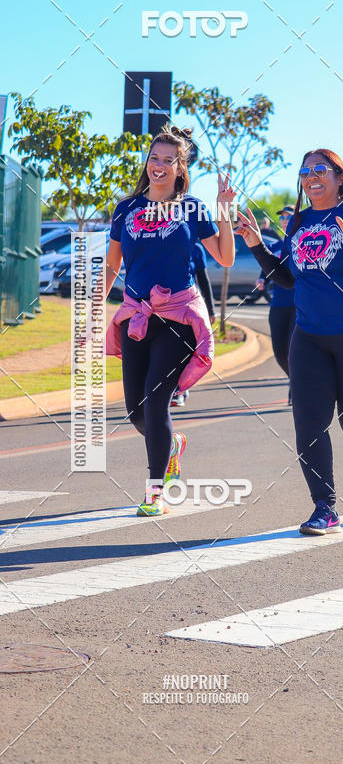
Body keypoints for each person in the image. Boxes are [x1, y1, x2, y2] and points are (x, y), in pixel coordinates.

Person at [236, 148, 343, 535]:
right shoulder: (302, 221)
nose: (311, 176)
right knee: (308, 423)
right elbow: (290, 279)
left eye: (320, 169)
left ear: (340, 176)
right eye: (305, 171)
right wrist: (257, 245)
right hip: (309, 337)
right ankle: (325, 507)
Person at [104, 124, 235, 516]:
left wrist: (224, 208)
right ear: (147, 162)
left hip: (178, 317)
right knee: (135, 410)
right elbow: (113, 264)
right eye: (154, 158)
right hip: (136, 316)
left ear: (181, 167)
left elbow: (225, 257)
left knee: (156, 401)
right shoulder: (126, 208)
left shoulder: (192, 207)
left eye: (169, 160)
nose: (159, 166)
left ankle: (154, 491)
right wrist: (93, 308)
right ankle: (173, 445)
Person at [171, 240, 216, 407]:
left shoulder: (196, 249)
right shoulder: (166, 243)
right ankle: (172, 389)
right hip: (166, 305)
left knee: (187, 348)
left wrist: (211, 310)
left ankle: (181, 389)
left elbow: (204, 280)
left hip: (190, 306)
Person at [260, 205, 296, 404]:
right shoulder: (275, 245)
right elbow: (267, 267)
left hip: (299, 303)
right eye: (282, 217)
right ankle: (294, 378)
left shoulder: (304, 243)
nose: (284, 220)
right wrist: (262, 280)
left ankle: (297, 386)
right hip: (279, 303)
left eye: (288, 217)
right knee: (279, 349)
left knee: (293, 347)